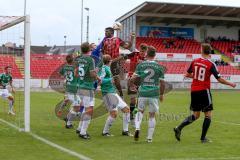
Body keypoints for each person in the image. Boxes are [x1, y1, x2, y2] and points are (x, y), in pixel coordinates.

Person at [174, 44, 236, 143]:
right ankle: (203, 138)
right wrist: (231, 84)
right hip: (204, 91)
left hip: (194, 91)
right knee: (208, 115)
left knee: (196, 115)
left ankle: (179, 128)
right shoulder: (211, 64)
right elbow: (219, 79)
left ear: (201, 51)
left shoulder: (195, 61)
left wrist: (196, 77)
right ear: (210, 52)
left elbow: (187, 74)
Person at [130, 46, 165, 143]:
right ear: (155, 55)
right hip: (154, 93)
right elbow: (162, 83)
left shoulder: (141, 65)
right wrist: (161, 94)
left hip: (142, 92)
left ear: (146, 54)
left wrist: (133, 85)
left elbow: (132, 79)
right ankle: (149, 138)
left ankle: (137, 128)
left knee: (140, 111)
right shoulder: (159, 67)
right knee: (152, 115)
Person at [99, 54, 132, 137]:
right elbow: (100, 81)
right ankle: (105, 132)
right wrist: (111, 79)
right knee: (114, 113)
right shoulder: (104, 68)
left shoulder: (107, 68)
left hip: (112, 92)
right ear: (109, 61)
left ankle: (125, 131)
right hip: (107, 93)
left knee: (127, 110)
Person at [75, 42, 100, 139]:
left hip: (80, 87)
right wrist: (97, 77)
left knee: (85, 109)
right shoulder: (90, 59)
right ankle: (83, 133)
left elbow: (76, 73)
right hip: (87, 88)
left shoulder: (78, 59)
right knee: (89, 110)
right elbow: (92, 74)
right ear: (89, 49)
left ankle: (79, 128)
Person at [58, 54, 82, 129]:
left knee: (78, 103)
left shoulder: (64, 66)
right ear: (72, 60)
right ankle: (68, 123)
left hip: (68, 87)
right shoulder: (75, 67)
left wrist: (65, 77)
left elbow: (60, 74)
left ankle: (68, 118)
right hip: (73, 88)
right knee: (77, 106)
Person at [128, 43, 148, 126]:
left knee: (140, 100)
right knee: (133, 99)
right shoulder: (134, 54)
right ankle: (131, 116)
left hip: (141, 80)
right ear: (139, 50)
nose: (142, 53)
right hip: (132, 79)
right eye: (141, 51)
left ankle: (135, 114)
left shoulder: (147, 60)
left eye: (144, 52)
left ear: (146, 52)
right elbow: (128, 49)